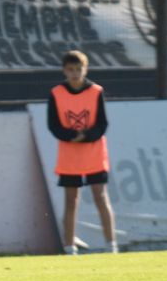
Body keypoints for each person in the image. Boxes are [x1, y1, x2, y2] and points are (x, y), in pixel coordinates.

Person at [47, 50, 117, 255]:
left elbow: (102, 124)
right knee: (71, 200)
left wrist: (86, 136)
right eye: (70, 70)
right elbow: (53, 125)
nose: (75, 73)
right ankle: (69, 247)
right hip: (70, 155)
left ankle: (111, 245)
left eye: (79, 69)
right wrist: (70, 136)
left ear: (85, 69)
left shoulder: (96, 91)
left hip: (94, 153)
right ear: (64, 71)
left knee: (100, 197)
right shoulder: (56, 93)